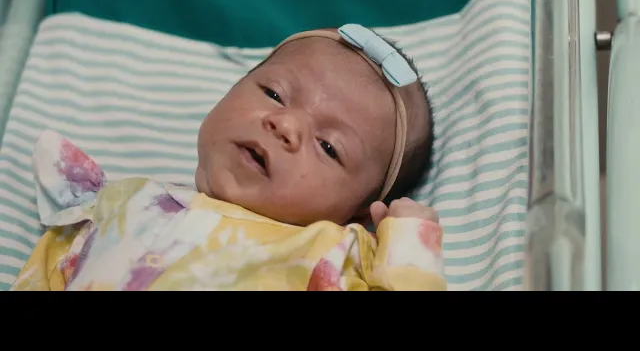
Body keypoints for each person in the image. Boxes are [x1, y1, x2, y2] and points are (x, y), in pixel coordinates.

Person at [11, 24, 446, 291]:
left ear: (357, 213)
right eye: (273, 93)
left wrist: (409, 243)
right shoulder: (124, 201)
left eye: (329, 146)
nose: (286, 124)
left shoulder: (334, 253)